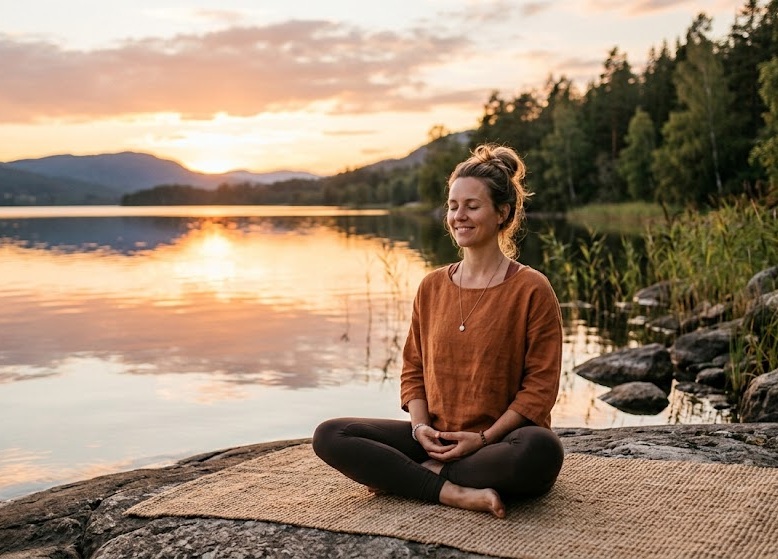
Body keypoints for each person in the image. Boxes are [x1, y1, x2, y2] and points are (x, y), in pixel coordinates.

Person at [313, 143, 564, 518]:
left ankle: (412, 479)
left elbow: (539, 391)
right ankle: (452, 491)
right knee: (331, 435)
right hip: (436, 438)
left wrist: (482, 438)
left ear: (502, 213)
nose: (458, 216)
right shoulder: (432, 286)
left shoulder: (532, 288)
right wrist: (419, 430)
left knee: (541, 450)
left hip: (499, 443)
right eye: (452, 205)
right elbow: (413, 370)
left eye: (472, 206)